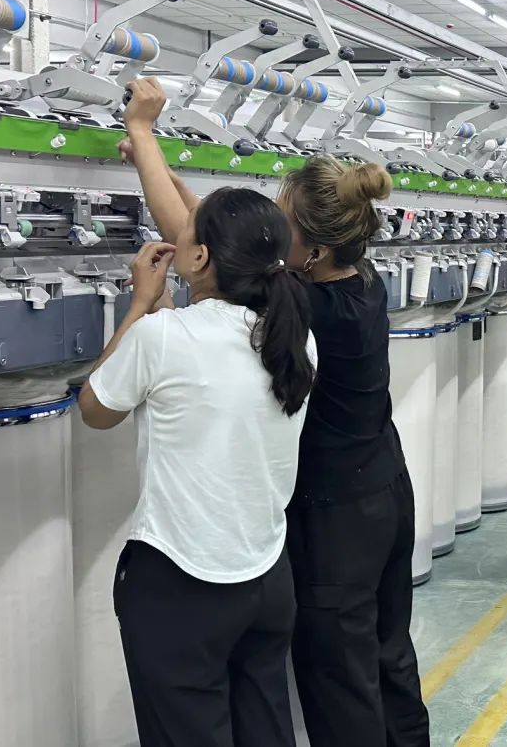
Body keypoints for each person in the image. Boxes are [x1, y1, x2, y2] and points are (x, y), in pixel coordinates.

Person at [117, 78, 431, 745]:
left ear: (309, 250)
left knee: (341, 679)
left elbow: (197, 245)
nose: (267, 233)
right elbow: (220, 233)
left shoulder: (303, 308)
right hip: (385, 492)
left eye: (280, 222)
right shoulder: (360, 280)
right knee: (388, 653)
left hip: (335, 521)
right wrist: (160, 167)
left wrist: (143, 131)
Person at [79, 181, 318, 743]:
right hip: (266, 576)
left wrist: (140, 304)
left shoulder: (161, 337)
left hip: (180, 584)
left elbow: (95, 408)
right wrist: (165, 314)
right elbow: (206, 362)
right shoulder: (294, 338)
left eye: (184, 230)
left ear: (200, 258)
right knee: (264, 728)